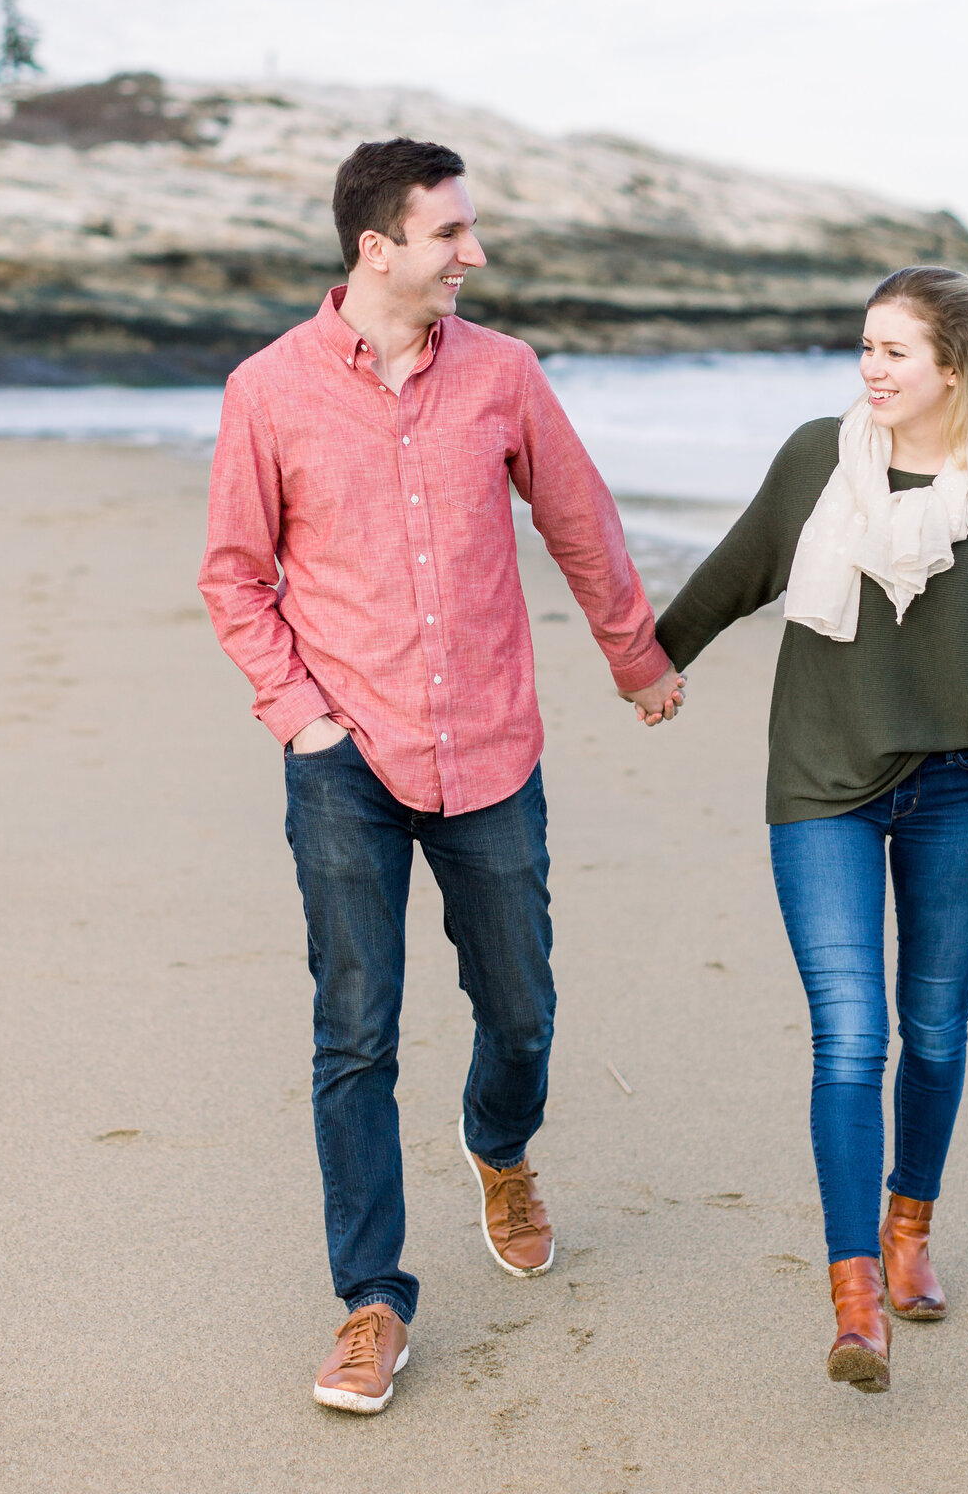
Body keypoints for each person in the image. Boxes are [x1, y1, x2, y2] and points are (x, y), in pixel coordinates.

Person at [199, 137, 684, 1414]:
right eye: (451, 232)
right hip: (344, 759)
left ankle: (501, 1150)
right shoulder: (269, 389)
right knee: (353, 1034)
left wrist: (636, 657)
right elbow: (236, 576)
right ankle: (370, 1302)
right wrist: (300, 718)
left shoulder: (504, 376)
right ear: (379, 247)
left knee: (520, 1007)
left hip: (490, 750)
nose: (473, 252)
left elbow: (579, 518)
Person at [656, 266, 968, 1394]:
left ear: (954, 368)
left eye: (894, 352)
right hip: (824, 784)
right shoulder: (815, 460)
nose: (870, 369)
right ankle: (855, 1298)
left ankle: (910, 1229)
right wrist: (649, 662)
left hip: (962, 789)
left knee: (932, 1029)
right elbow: (738, 574)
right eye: (865, 347)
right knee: (852, 1037)